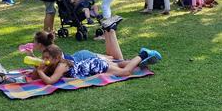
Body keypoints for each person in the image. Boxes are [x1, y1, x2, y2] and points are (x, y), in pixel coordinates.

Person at [28, 33, 161, 84]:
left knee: (124, 72)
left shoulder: (61, 65)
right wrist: (37, 65)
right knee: (120, 65)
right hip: (91, 65)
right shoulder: (53, 63)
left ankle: (143, 54)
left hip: (94, 65)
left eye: (46, 58)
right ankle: (141, 61)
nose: (45, 60)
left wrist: (41, 71)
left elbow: (50, 81)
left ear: (56, 58)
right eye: (43, 58)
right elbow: (34, 77)